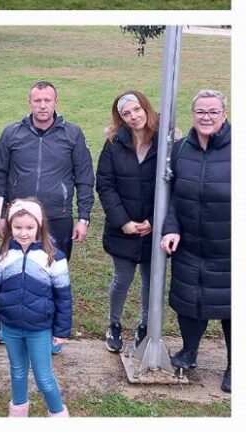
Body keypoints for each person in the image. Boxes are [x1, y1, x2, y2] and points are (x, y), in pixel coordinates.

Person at [160, 90, 231, 394]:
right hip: (190, 244)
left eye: (213, 112)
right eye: (201, 111)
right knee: (190, 301)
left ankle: (235, 366)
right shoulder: (180, 150)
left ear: (224, 115)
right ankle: (189, 352)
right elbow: (172, 196)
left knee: (231, 307)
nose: (206, 117)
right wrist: (172, 228)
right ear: (193, 115)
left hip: (227, 245)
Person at [0, 199, 71, 417]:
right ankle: (18, 414)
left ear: (39, 226)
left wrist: (61, 330)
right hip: (11, 327)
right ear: (9, 227)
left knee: (43, 377)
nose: (23, 233)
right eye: (18, 227)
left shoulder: (54, 257)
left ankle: (58, 414)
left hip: (39, 328)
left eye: (29, 228)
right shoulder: (1, 255)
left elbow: (63, 298)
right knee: (17, 371)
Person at [0, 80, 94, 264]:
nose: (42, 105)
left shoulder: (72, 134)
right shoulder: (12, 133)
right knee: (19, 268)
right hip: (19, 216)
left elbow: (84, 177)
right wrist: (0, 215)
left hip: (58, 216)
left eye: (47, 100)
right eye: (37, 101)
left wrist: (83, 217)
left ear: (56, 102)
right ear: (29, 102)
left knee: (55, 268)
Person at [95, 91, 159, 355]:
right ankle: (114, 324)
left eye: (136, 110)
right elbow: (105, 185)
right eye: (126, 114)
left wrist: (154, 222)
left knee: (150, 280)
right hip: (123, 228)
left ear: (145, 108)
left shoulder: (165, 142)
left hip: (153, 227)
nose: (133, 117)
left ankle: (145, 325)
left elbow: (174, 184)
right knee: (122, 279)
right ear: (120, 118)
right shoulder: (114, 144)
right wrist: (123, 222)